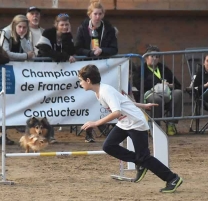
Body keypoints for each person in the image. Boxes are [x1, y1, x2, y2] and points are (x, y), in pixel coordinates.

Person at [78, 64, 183, 193]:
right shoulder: (100, 92)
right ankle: (139, 162)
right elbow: (124, 101)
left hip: (136, 123)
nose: (80, 83)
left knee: (144, 157)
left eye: (81, 80)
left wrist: (96, 123)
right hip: (125, 123)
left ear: (88, 80)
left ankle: (172, 178)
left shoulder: (105, 91)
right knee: (108, 146)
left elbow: (116, 112)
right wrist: (143, 105)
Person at [75, 0, 118, 142]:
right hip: (87, 67)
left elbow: (114, 49)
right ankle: (88, 131)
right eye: (95, 14)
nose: (98, 17)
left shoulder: (109, 29)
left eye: (100, 14)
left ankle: (106, 127)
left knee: (102, 98)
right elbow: (77, 48)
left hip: (104, 68)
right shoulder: (82, 28)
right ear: (90, 15)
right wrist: (89, 52)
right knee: (87, 100)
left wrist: (102, 50)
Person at [133, 45, 182, 135]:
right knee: (156, 99)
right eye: (152, 56)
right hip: (149, 94)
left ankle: (171, 123)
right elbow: (138, 84)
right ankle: (156, 125)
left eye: (157, 56)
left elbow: (177, 85)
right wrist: (157, 85)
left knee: (178, 93)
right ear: (146, 57)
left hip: (166, 93)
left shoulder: (164, 68)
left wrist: (170, 85)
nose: (154, 58)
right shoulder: (140, 69)